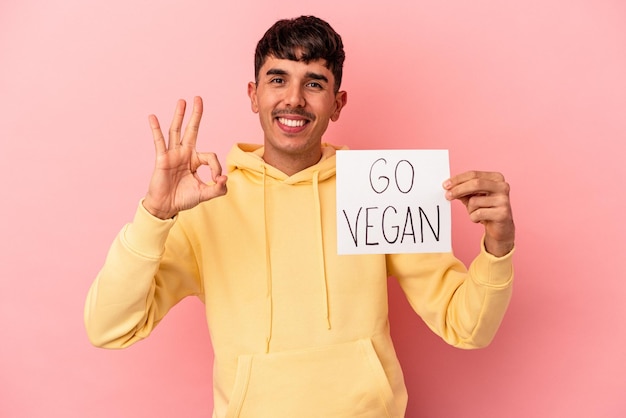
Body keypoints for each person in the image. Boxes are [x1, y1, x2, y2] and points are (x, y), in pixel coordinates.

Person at [85, 15, 515, 418]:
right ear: (253, 96)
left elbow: (467, 326)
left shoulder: (379, 191)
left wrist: (499, 247)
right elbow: (109, 327)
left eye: (314, 83)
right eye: (277, 79)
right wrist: (154, 214)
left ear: (337, 103)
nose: (293, 99)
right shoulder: (207, 203)